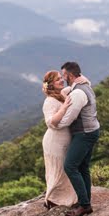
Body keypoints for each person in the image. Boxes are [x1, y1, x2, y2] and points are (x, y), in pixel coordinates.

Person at [50, 61, 100, 216]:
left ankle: (84, 206)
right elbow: (67, 90)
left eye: (64, 75)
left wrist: (55, 124)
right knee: (83, 167)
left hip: (84, 133)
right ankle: (85, 202)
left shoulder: (78, 93)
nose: (63, 78)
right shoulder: (83, 86)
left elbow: (69, 118)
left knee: (70, 166)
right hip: (91, 131)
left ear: (70, 75)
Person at [40, 70, 78, 209]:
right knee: (58, 170)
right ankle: (53, 200)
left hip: (64, 140)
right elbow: (51, 122)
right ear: (50, 84)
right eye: (57, 80)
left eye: (61, 78)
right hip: (54, 141)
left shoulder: (61, 95)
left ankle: (68, 198)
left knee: (66, 170)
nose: (61, 80)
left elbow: (74, 86)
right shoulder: (49, 101)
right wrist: (64, 107)